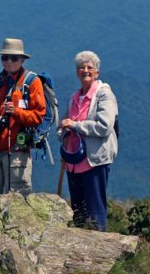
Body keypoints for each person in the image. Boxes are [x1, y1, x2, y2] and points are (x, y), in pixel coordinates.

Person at [0, 38, 46, 199]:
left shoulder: (32, 83)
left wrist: (16, 112)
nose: (8, 62)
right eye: (4, 57)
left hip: (17, 151)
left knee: (18, 199)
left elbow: (38, 116)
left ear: (22, 60)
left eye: (13, 58)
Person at [59, 50, 118, 231]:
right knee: (78, 210)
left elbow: (104, 126)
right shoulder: (74, 98)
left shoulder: (104, 95)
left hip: (94, 161)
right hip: (74, 162)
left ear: (97, 72)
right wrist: (63, 132)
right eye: (81, 68)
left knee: (94, 209)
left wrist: (76, 126)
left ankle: (99, 249)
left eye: (89, 67)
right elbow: (63, 125)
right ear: (77, 73)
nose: (85, 70)